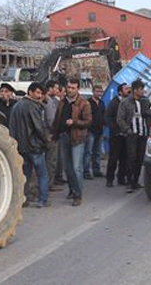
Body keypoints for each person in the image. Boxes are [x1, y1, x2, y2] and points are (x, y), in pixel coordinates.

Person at [9, 82, 50, 208]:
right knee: (42, 174)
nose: (39, 96)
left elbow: (12, 126)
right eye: (37, 92)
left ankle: (24, 199)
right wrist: (46, 141)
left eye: (41, 93)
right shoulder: (33, 106)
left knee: (25, 175)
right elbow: (39, 128)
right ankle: (42, 200)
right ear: (30, 92)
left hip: (21, 147)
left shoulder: (17, 106)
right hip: (35, 147)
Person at [52, 78, 92, 206]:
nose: (70, 90)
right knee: (68, 168)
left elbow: (88, 121)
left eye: (73, 88)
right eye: (68, 87)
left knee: (77, 168)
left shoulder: (83, 103)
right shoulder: (62, 102)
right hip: (63, 136)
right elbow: (57, 119)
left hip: (77, 138)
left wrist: (74, 122)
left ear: (77, 89)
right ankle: (72, 189)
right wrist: (54, 134)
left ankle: (78, 195)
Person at [117, 79, 151, 193]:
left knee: (140, 159)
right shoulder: (125, 102)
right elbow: (120, 119)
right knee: (131, 159)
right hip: (132, 134)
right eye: (141, 89)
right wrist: (127, 130)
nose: (143, 91)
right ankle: (129, 182)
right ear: (135, 90)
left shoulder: (145, 101)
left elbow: (149, 114)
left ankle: (136, 181)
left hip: (143, 134)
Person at [105, 83, 130, 187]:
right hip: (116, 135)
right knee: (113, 158)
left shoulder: (129, 102)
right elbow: (108, 116)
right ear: (120, 91)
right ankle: (110, 179)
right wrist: (114, 128)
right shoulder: (114, 102)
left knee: (124, 158)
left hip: (126, 134)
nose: (128, 91)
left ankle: (121, 178)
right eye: (126, 89)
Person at [43, 80, 64, 191]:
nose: (57, 90)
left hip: (44, 133)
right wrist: (55, 131)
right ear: (50, 89)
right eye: (56, 88)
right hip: (50, 134)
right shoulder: (49, 101)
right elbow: (51, 119)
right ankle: (49, 184)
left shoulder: (44, 100)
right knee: (51, 160)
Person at [83, 84, 106, 179]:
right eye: (97, 91)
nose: (99, 93)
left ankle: (96, 170)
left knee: (97, 152)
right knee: (88, 151)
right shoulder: (88, 102)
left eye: (100, 92)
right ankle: (86, 171)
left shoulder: (101, 103)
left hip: (100, 130)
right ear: (93, 92)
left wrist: (105, 124)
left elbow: (104, 114)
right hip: (90, 130)